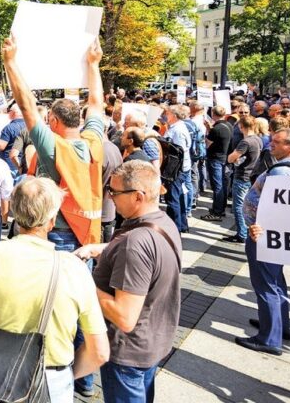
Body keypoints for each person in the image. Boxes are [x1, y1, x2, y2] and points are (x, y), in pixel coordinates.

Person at [2, 34, 104, 397]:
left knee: (50, 306)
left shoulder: (54, 148)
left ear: (54, 122)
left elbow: (27, 107)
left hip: (58, 234)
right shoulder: (94, 142)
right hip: (88, 234)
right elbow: (98, 104)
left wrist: (12, 62)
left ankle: (48, 372)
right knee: (80, 303)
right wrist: (93, 66)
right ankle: (86, 379)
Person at [0, 178, 109, 402]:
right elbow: (100, 352)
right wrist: (65, 376)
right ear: (51, 220)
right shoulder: (74, 268)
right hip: (52, 377)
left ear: (16, 214)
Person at [75, 160, 182, 403]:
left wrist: (82, 283)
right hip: (152, 340)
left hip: (128, 352)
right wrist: (102, 249)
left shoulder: (135, 243)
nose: (109, 196)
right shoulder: (163, 223)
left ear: (138, 196)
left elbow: (124, 316)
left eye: (114, 191)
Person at [239, 129, 290, 355]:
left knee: (266, 283)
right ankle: (277, 325)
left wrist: (261, 227)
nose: (271, 145)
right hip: (273, 235)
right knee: (275, 280)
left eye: (277, 143)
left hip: (263, 235)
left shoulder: (281, 172)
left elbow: (277, 208)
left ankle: (269, 338)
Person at [225, 116, 262, 243]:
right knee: (246, 206)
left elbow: (230, 158)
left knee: (239, 206)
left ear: (241, 127)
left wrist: (233, 157)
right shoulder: (258, 139)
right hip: (251, 175)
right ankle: (243, 232)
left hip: (242, 176)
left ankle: (242, 233)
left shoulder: (246, 142)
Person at [163, 105, 192, 233]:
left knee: (173, 198)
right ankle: (182, 224)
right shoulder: (177, 127)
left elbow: (178, 153)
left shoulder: (178, 130)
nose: (165, 115)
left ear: (174, 115)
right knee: (178, 196)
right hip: (179, 168)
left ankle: (175, 228)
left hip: (177, 169)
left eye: (167, 113)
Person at [202, 105, 232, 221]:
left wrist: (206, 133)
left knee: (217, 186)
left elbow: (208, 144)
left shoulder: (217, 129)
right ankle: (220, 208)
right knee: (222, 185)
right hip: (224, 158)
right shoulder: (228, 125)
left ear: (213, 114)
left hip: (215, 159)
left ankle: (217, 211)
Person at [0, 104, 26, 174]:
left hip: (10, 165)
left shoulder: (9, 128)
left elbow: (1, 146)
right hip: (24, 164)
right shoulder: (29, 126)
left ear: (14, 113)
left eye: (9, 111)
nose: (8, 112)